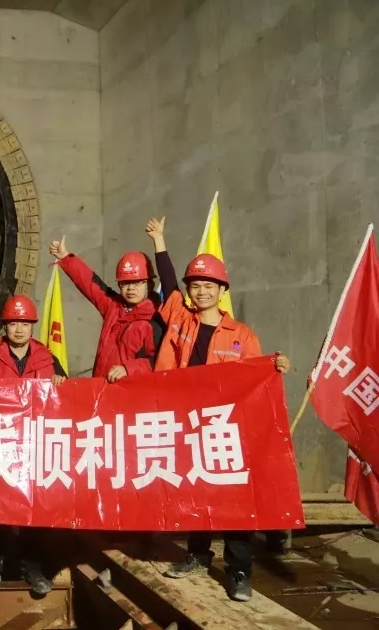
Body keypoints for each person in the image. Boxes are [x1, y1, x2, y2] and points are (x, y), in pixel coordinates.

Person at [146, 216, 291, 602]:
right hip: (187, 424)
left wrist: (276, 366)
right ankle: (197, 555)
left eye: (209, 285)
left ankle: (239, 571)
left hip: (226, 430)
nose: (201, 291)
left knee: (234, 500)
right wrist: (160, 240)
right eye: (196, 285)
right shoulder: (180, 318)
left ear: (222, 290)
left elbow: (257, 378)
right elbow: (168, 283)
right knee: (196, 493)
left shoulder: (242, 335)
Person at [0, 295, 61, 598]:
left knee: (33, 510)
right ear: (4, 326)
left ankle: (32, 568)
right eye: (13, 323)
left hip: (35, 447)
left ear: (33, 326)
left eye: (25, 323)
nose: (19, 329)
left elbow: (66, 400)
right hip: (1, 447)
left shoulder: (48, 360)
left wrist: (62, 382)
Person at [48, 235, 162, 383]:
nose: (131, 288)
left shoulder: (155, 319)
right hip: (101, 391)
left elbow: (161, 361)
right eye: (125, 283)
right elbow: (90, 284)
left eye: (137, 282)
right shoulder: (113, 307)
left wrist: (128, 369)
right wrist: (65, 257)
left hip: (132, 393)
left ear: (150, 284)